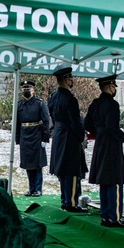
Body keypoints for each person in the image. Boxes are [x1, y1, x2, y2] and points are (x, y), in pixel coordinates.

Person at [84, 74, 124, 227]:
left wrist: (99, 132)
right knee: (115, 181)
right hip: (111, 145)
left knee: (104, 181)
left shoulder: (95, 104)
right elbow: (112, 127)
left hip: (101, 143)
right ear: (111, 87)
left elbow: (87, 124)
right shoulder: (112, 104)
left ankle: (105, 215)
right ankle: (114, 217)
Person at [48, 66, 88, 212]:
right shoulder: (70, 99)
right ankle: (71, 202)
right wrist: (81, 136)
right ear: (66, 80)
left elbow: (53, 116)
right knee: (71, 170)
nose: (72, 81)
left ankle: (65, 199)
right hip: (69, 136)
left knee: (62, 169)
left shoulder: (53, 97)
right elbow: (75, 122)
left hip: (58, 134)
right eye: (70, 78)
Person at [14, 78, 51, 197]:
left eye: (28, 89)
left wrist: (45, 138)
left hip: (37, 135)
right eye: (24, 89)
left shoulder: (40, 103)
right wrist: (17, 139)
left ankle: (38, 189)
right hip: (25, 136)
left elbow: (46, 121)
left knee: (37, 164)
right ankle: (31, 188)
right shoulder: (19, 104)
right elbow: (17, 124)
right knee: (28, 164)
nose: (26, 90)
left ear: (33, 90)